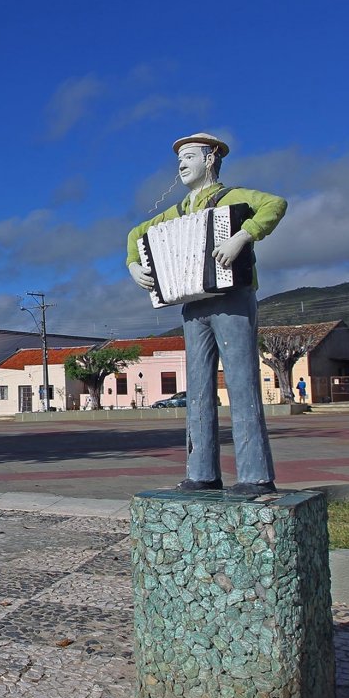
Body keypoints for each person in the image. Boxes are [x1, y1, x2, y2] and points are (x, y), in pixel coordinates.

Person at [126, 133, 287, 496]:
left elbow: (275, 204)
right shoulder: (179, 210)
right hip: (192, 303)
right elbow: (136, 233)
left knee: (242, 383)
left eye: (188, 157)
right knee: (198, 388)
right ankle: (202, 471)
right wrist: (134, 265)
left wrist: (242, 237)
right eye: (179, 159)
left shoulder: (234, 197)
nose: (181, 165)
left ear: (211, 158)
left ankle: (255, 474)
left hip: (232, 297)